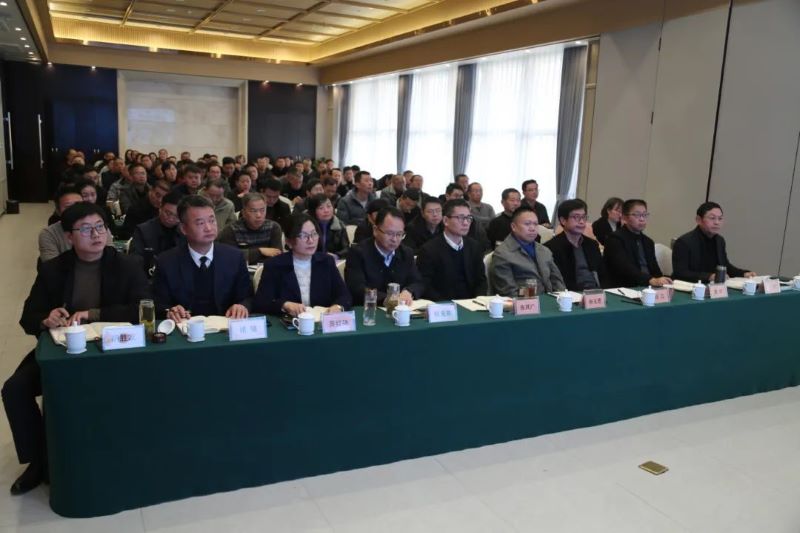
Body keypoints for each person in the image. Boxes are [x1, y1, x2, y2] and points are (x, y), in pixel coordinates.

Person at [3, 203, 149, 495]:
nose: (96, 235)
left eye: (100, 227)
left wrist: (93, 314)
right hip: (66, 351)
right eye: (85, 229)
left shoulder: (127, 264)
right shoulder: (53, 270)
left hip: (114, 350)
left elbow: (143, 309)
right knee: (15, 389)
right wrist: (46, 319)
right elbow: (28, 317)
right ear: (69, 236)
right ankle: (38, 460)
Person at [153, 195, 253, 322]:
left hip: (225, 326)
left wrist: (242, 306)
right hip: (185, 327)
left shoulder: (234, 257)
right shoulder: (166, 262)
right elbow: (158, 304)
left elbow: (248, 297)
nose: (209, 228)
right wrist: (170, 311)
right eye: (200, 223)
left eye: (212, 221)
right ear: (183, 228)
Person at [252, 214, 352, 317]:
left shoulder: (326, 262)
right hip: (289, 322)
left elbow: (344, 295)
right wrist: (285, 305)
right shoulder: (274, 265)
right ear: (289, 241)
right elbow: (261, 302)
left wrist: (338, 307)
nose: (311, 240)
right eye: (303, 236)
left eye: (314, 234)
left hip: (321, 321)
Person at [344, 206, 424, 305]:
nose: (394, 239)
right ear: (375, 230)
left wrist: (409, 291)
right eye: (390, 233)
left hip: (399, 309)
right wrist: (387, 299)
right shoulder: (358, 253)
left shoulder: (406, 253)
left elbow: (418, 282)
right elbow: (356, 288)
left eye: (399, 234)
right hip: (368, 309)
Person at [417, 199, 487, 300]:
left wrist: (478, 301)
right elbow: (426, 286)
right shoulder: (429, 250)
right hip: (443, 305)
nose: (466, 223)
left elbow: (481, 281)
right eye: (461, 218)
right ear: (446, 221)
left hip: (472, 303)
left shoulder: (474, 246)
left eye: (469, 218)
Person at [490, 206, 566, 296]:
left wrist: (561, 297)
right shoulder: (502, 254)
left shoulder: (544, 250)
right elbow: (508, 292)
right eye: (527, 224)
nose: (532, 228)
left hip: (552, 300)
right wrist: (534, 295)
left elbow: (557, 281)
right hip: (523, 302)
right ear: (513, 227)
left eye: (535, 224)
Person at [671, 202, 756, 282]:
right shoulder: (684, 242)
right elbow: (680, 273)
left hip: (713, 287)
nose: (717, 222)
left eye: (720, 218)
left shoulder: (720, 241)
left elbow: (725, 266)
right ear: (699, 220)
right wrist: (709, 276)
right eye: (712, 218)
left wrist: (743, 274)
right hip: (688, 287)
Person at [603, 199, 672, 287]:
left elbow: (655, 269)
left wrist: (662, 280)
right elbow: (624, 268)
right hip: (625, 287)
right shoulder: (615, 239)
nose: (642, 219)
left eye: (644, 215)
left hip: (649, 285)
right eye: (637, 215)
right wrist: (650, 280)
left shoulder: (648, 242)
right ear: (625, 217)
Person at [545, 199, 606, 291]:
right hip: (570, 294)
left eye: (584, 217)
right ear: (563, 220)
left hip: (596, 293)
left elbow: (602, 275)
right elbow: (556, 281)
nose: (581, 222)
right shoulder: (551, 247)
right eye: (576, 217)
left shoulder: (592, 244)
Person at [216, 192, 283, 265]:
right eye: (253, 211)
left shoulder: (273, 227)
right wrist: (260, 251)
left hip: (267, 269)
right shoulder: (231, 230)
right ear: (243, 213)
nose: (259, 215)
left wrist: (246, 254)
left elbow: (278, 255)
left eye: (262, 210)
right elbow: (230, 256)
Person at [130, 190, 185, 272]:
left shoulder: (186, 231)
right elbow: (135, 260)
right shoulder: (143, 230)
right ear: (160, 208)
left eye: (177, 216)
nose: (171, 218)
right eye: (168, 213)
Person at [39, 187, 84, 262]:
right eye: (68, 207)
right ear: (58, 211)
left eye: (79, 205)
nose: (75, 210)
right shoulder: (49, 234)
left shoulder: (98, 227)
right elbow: (51, 266)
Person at [307, 193, 350, 259]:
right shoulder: (307, 227)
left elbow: (347, 249)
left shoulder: (339, 225)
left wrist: (336, 255)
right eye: (321, 208)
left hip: (333, 261)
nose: (326, 211)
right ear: (313, 211)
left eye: (329, 206)